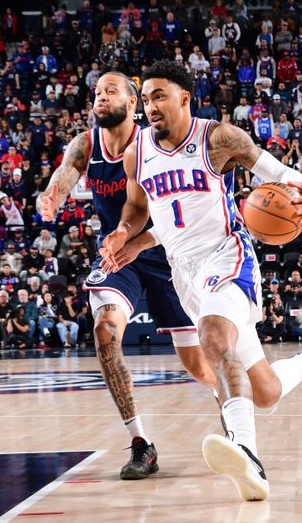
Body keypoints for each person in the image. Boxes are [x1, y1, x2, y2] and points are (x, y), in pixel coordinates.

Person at [101, 61, 302, 501]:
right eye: (146, 99)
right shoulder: (136, 152)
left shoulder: (217, 137)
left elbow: (277, 173)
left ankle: (248, 456)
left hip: (228, 256)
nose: (150, 107)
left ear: (184, 98)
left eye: (160, 96)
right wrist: (128, 234)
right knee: (265, 393)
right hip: (184, 272)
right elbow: (139, 209)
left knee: (213, 337)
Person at [37, 71, 218, 480]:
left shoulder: (152, 143)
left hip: (164, 249)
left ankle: (229, 408)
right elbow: (63, 175)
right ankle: (141, 442)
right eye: (97, 92)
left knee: (196, 363)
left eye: (111, 91)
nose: (100, 97)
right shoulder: (86, 143)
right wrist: (52, 195)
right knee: (104, 332)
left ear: (133, 103)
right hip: (118, 254)